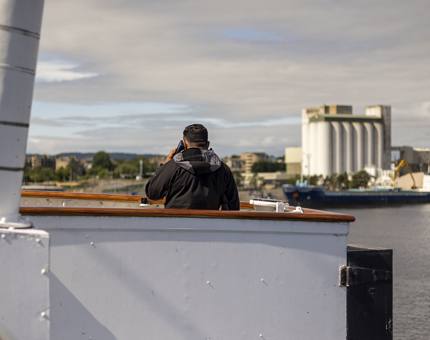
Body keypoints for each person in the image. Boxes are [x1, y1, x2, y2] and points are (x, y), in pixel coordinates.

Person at [145, 124, 240, 210]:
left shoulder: (173, 166)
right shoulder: (223, 169)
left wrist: (164, 166)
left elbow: (152, 193)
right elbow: (232, 207)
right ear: (207, 144)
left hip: (176, 224)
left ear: (184, 144)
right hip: (209, 226)